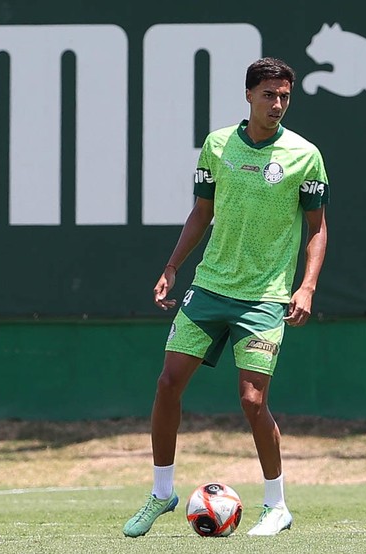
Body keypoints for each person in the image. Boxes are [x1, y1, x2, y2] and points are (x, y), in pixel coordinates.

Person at [122, 57, 329, 538]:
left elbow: (317, 229)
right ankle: (161, 493)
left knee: (253, 401)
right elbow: (201, 212)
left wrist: (307, 285)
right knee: (168, 382)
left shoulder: (305, 155)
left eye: (284, 96)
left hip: (265, 297)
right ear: (248, 95)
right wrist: (172, 266)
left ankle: (276, 506)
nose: (277, 104)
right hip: (210, 287)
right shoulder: (218, 145)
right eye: (268, 95)